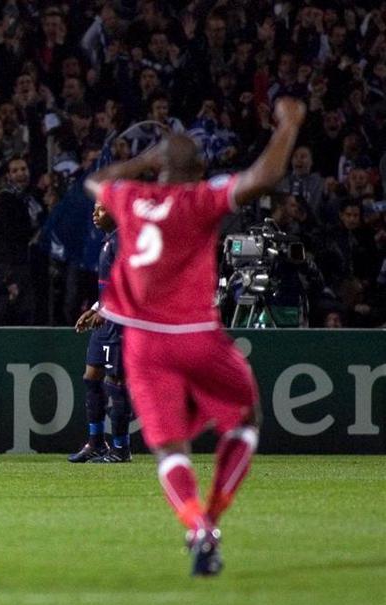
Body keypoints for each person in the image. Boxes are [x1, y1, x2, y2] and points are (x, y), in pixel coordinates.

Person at [83, 97, 306, 576]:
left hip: (143, 342)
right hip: (194, 334)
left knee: (168, 450)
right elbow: (264, 176)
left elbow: (95, 181)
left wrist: (144, 161)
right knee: (245, 419)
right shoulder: (200, 199)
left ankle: (198, 527)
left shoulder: (131, 197)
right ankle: (214, 514)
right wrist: (289, 125)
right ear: (200, 169)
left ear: (158, 167)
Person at [68, 201, 133, 464]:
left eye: (102, 209)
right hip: (105, 319)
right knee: (91, 377)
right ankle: (96, 443)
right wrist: (95, 308)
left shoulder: (124, 241)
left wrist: (104, 312)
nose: (95, 214)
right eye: (94, 208)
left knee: (115, 383)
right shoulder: (109, 241)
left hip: (119, 322)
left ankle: (121, 449)